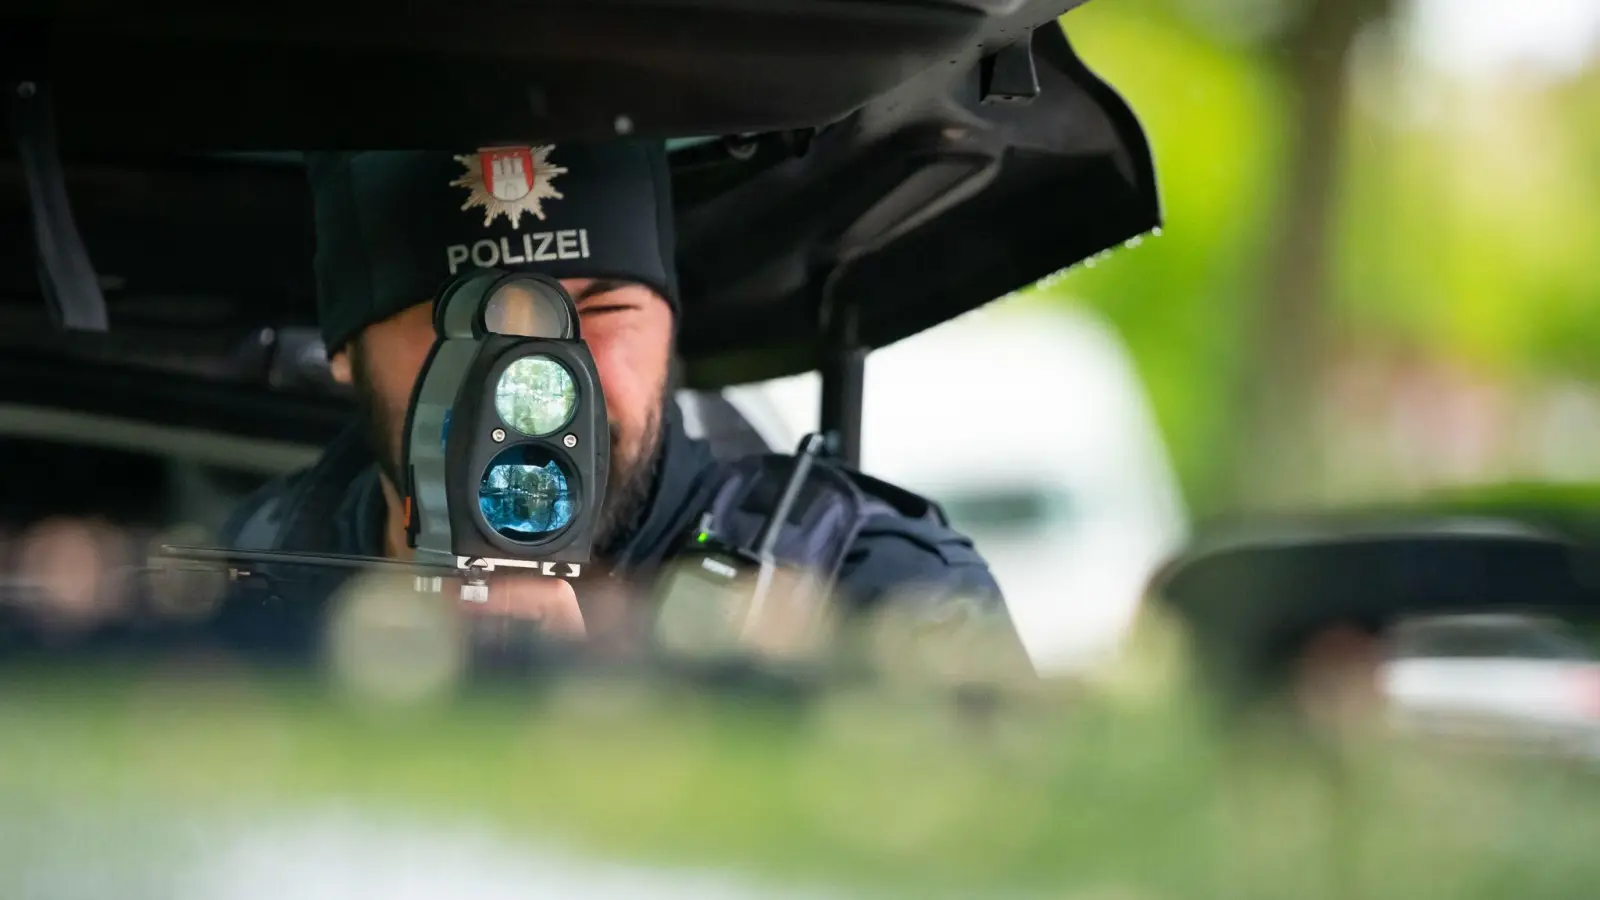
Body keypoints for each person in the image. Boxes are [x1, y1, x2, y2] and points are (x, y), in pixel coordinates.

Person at [218, 141, 1015, 662]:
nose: (536, 377)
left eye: (597, 313)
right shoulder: (236, 590)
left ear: (671, 325)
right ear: (346, 352)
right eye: (468, 320)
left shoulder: (871, 589)